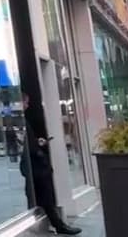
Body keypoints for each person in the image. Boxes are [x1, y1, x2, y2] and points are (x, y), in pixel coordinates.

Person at [21, 95, 81, 235]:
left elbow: (29, 142)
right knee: (44, 196)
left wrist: (37, 142)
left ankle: (49, 224)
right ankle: (55, 225)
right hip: (35, 166)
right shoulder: (20, 122)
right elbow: (27, 146)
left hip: (34, 165)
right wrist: (38, 148)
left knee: (39, 196)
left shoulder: (23, 121)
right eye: (26, 102)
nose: (28, 105)